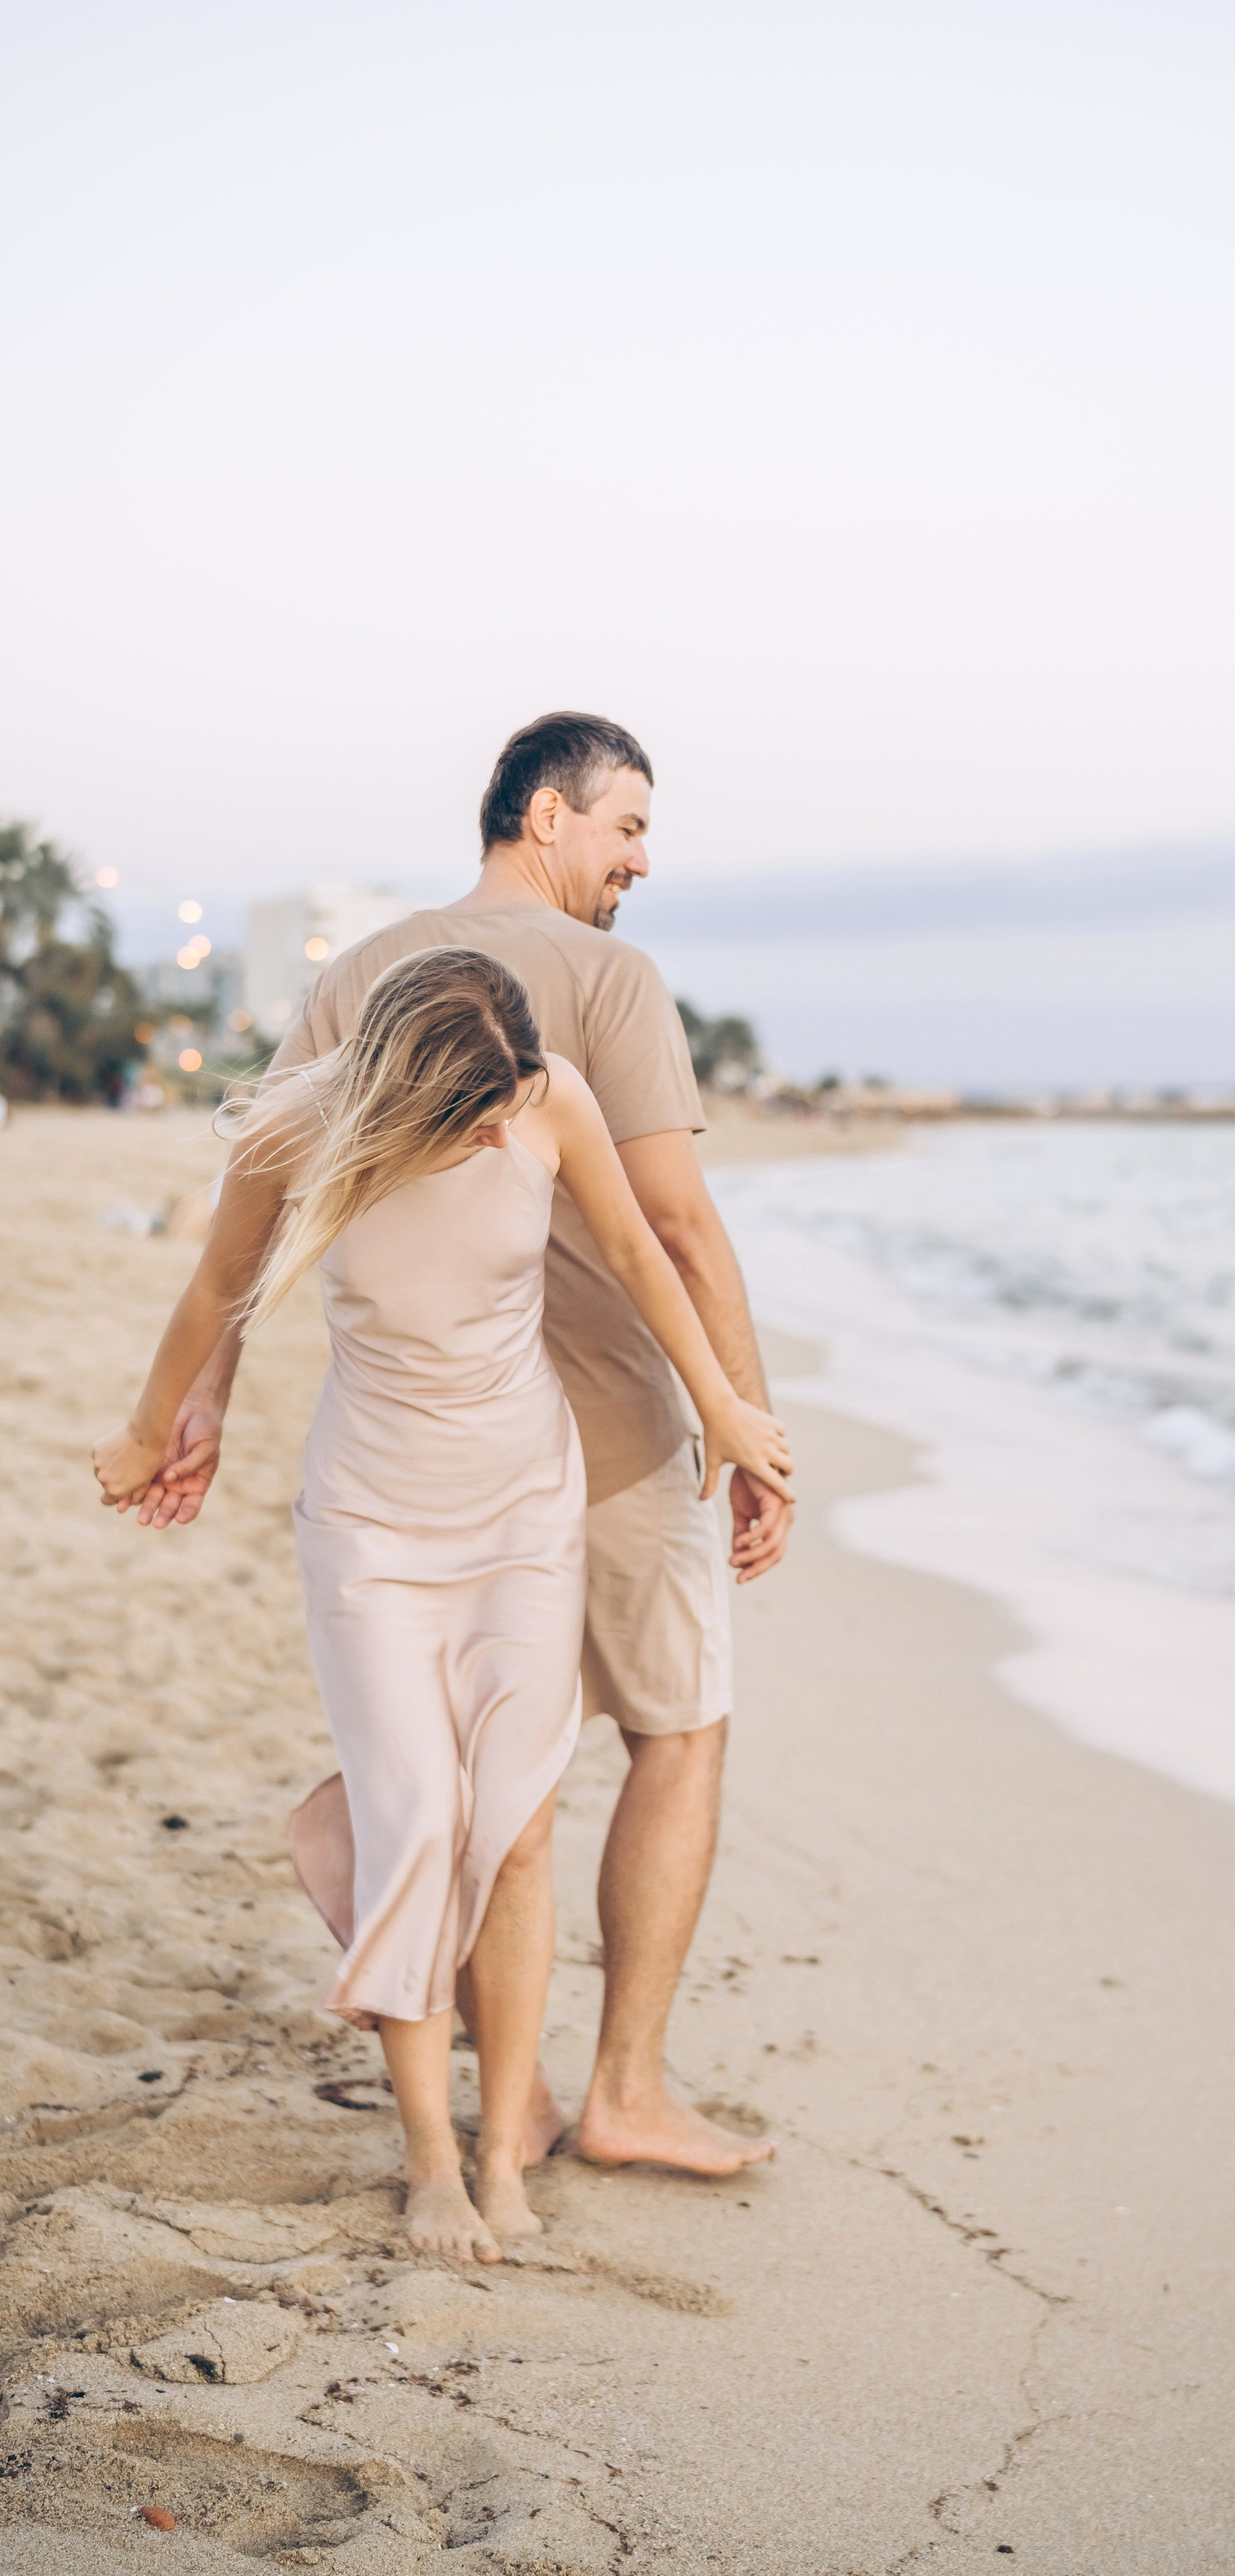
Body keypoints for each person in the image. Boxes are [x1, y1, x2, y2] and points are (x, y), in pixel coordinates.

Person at [131, 713, 788, 2178]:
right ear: (543, 816)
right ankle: (615, 2089)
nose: (637, 862)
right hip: (604, 1434)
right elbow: (673, 1225)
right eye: (625, 827)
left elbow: (267, 1203)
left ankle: (514, 2094)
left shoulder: (363, 974)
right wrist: (745, 1425)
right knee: (674, 1734)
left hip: (413, 1443)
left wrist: (204, 1402)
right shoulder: (611, 978)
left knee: (503, 1779)